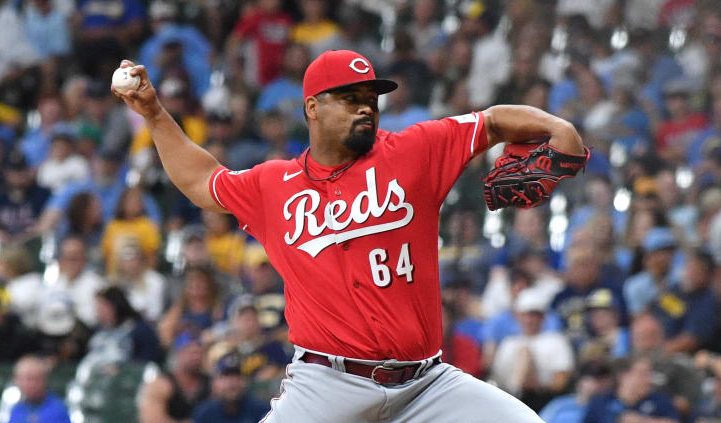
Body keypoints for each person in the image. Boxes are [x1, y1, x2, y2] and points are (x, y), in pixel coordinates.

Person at [113, 48, 587, 422]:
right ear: (313, 108)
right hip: (326, 386)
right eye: (351, 98)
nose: (366, 108)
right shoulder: (273, 185)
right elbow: (202, 181)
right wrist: (154, 114)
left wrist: (557, 126)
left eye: (371, 99)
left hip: (427, 385)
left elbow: (493, 121)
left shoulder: (414, 150)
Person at [139, 332, 210, 423]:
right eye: (191, 352)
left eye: (200, 353)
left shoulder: (210, 383)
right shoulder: (162, 384)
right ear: (178, 354)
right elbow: (151, 419)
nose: (196, 357)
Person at [583, 356, 679, 423]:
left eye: (649, 374)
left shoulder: (659, 400)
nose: (648, 380)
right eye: (642, 374)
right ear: (624, 376)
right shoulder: (600, 403)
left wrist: (641, 421)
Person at [192, 351, 270, 423]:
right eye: (226, 376)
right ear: (214, 382)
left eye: (237, 376)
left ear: (245, 381)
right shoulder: (204, 414)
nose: (232, 382)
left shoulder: (261, 411)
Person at [8, 355, 71, 423]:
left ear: (45, 380)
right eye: (27, 379)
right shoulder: (16, 410)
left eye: (36, 379)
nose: (32, 384)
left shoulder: (58, 409)